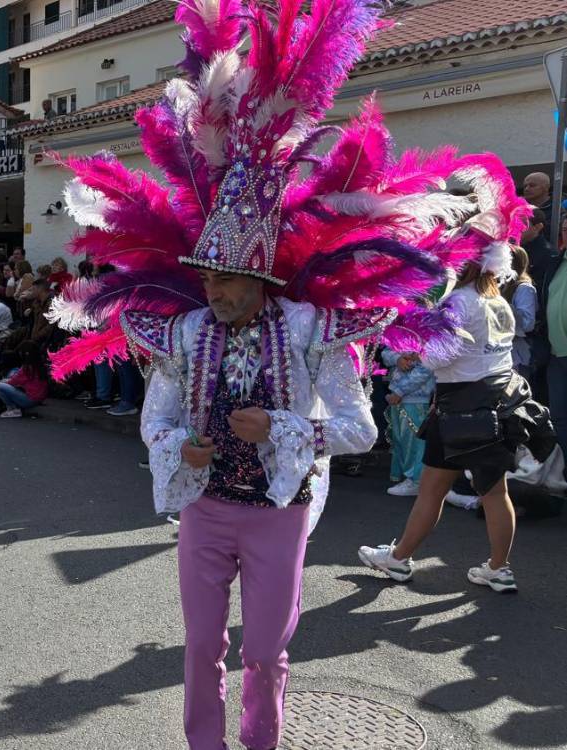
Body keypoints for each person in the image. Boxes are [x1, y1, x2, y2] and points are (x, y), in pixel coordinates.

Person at [43, 1, 531, 745]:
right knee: (201, 648)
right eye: (208, 277)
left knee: (266, 654)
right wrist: (182, 449)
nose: (215, 290)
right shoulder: (184, 331)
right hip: (205, 507)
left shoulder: (309, 332)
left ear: (265, 281)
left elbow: (359, 430)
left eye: (231, 278)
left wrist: (282, 425)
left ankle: (259, 741)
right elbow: (156, 418)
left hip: (279, 510)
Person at [359, 259, 554, 593]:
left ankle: (401, 558)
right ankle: (497, 568)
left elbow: (438, 358)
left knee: (433, 490)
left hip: (458, 409)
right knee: (493, 491)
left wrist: (417, 339)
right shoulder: (498, 300)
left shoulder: (458, 301)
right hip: (496, 405)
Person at [381, 350, 434, 497]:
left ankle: (417, 481)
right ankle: (409, 477)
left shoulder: (430, 334)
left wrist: (399, 391)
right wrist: (397, 358)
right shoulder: (399, 330)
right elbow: (385, 352)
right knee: (401, 439)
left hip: (418, 398)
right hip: (398, 397)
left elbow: (428, 367)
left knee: (415, 442)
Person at [503, 245, 536, 379]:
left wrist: (505, 308)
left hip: (517, 356)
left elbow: (528, 324)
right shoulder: (501, 285)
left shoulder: (524, 288)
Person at [0, 342, 50, 419]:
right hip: (38, 398)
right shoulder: (40, 364)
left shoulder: (28, 367)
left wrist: (3, 381)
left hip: (30, 399)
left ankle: (12, 409)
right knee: (8, 380)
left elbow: (13, 381)